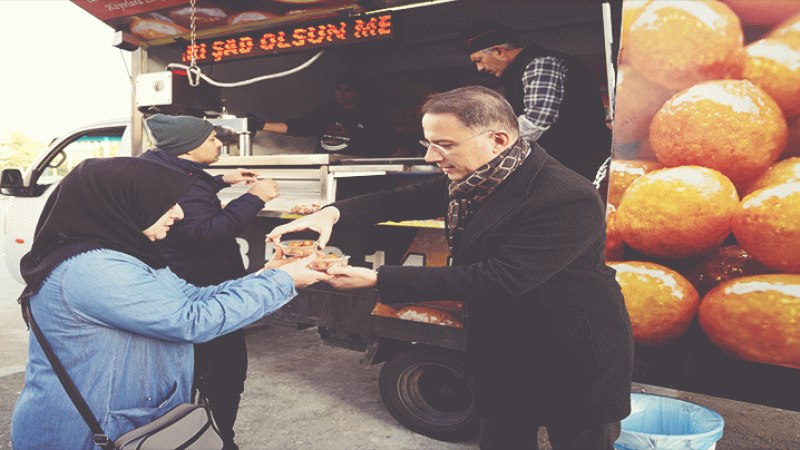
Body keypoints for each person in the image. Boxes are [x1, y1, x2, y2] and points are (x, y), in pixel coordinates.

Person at [267, 86, 634, 450]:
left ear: (498, 139)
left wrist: (378, 279)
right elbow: (401, 200)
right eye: (428, 142)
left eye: (444, 144)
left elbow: (501, 278)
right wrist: (331, 213)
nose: (430, 156)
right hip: (503, 345)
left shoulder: (565, 196)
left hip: (571, 351)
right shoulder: (477, 178)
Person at [10, 157, 330, 450]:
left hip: (131, 424)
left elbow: (192, 297)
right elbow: (191, 320)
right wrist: (285, 281)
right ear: (124, 203)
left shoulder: (126, 253)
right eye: (166, 203)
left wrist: (270, 273)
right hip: (85, 434)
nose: (178, 213)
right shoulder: (91, 268)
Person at [139, 114, 277, 450]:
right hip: (203, 291)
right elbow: (208, 232)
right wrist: (254, 197)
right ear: (187, 147)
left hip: (179, 284)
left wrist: (221, 181)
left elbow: (191, 189)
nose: (219, 143)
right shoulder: (184, 184)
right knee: (225, 375)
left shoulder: (162, 166)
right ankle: (216, 441)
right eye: (213, 139)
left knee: (191, 372)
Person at [457, 20, 612, 181]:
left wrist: (489, 148)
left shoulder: (540, 64)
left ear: (499, 51)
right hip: (569, 162)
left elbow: (537, 120)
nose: (479, 68)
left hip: (584, 160)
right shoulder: (518, 76)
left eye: (478, 60)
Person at [249, 72, 403, 157]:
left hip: (356, 175)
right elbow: (298, 126)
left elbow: (389, 146)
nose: (341, 93)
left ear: (361, 93)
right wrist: (260, 125)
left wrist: (356, 158)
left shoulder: (373, 115)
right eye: (339, 89)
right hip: (324, 169)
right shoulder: (328, 111)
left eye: (347, 90)